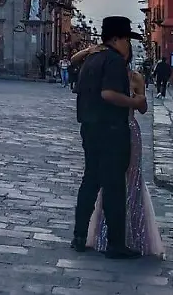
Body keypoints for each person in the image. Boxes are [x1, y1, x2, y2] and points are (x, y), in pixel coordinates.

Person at [71, 16, 146, 260]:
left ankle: (79, 235)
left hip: (89, 127)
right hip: (111, 129)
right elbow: (108, 94)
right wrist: (134, 102)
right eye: (126, 39)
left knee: (90, 181)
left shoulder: (92, 59)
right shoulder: (113, 60)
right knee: (114, 187)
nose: (128, 45)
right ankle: (116, 243)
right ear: (116, 39)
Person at [85, 57, 165, 259]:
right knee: (110, 181)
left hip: (130, 131)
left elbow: (143, 108)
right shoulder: (106, 77)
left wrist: (139, 98)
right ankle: (108, 234)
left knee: (133, 180)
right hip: (108, 130)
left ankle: (134, 235)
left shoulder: (135, 77)